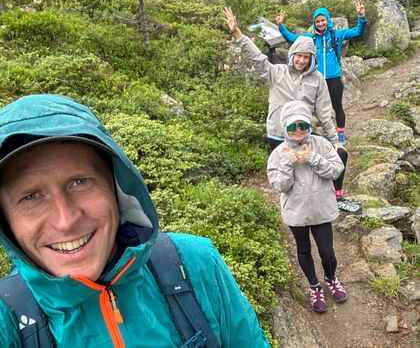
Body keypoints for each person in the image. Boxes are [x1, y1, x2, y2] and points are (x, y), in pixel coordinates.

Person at [0, 94, 269, 347]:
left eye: (79, 182)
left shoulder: (196, 264)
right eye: (31, 197)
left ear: (116, 188)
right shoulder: (7, 318)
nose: (65, 220)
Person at [224, 7, 361, 215]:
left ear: (311, 58)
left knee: (340, 154)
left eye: (306, 57)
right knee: (289, 175)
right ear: (292, 54)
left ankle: (337, 197)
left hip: (304, 133)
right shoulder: (276, 73)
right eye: (298, 56)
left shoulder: (317, 80)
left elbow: (324, 113)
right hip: (279, 134)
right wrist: (237, 33)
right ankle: (293, 212)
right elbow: (258, 58)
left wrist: (334, 140)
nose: (301, 61)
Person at [267, 100, 347, 313]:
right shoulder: (278, 154)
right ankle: (314, 286)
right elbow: (280, 186)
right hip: (297, 212)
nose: (298, 130)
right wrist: (288, 162)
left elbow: (336, 170)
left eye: (302, 125)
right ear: (285, 128)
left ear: (309, 125)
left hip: (321, 209)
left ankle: (331, 278)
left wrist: (311, 158)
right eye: (292, 126)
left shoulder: (321, 144)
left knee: (327, 252)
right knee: (303, 250)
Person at [276, 0, 367, 147]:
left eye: (323, 20)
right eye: (317, 21)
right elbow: (291, 38)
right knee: (312, 109)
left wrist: (361, 16)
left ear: (328, 20)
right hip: (315, 79)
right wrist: (281, 26)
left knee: (337, 107)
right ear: (314, 23)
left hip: (334, 78)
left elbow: (357, 31)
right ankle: (311, 134)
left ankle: (340, 133)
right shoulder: (310, 38)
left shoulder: (336, 35)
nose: (320, 24)